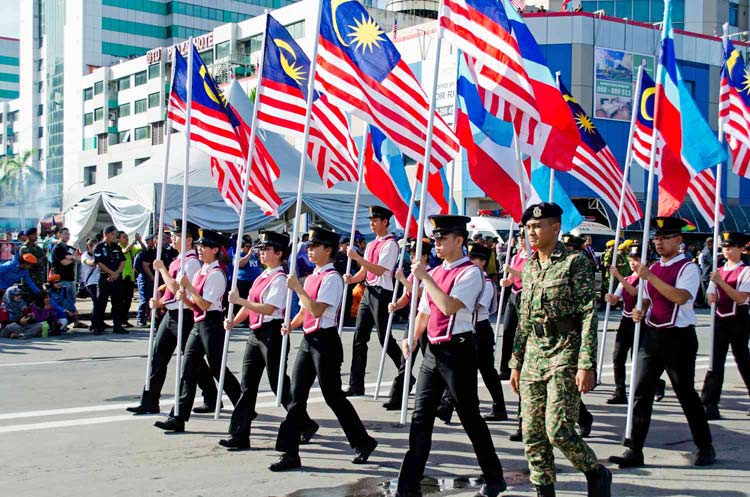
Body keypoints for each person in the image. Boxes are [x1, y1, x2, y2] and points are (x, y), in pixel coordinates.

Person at [395, 215, 507, 497]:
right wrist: (413, 337)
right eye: (436, 239)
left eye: (443, 239)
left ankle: (494, 477)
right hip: (433, 351)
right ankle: (408, 485)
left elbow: (446, 306)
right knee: (421, 417)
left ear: (459, 240)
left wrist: (425, 278)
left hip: (458, 351)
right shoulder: (435, 272)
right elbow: (424, 311)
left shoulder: (471, 273)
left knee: (469, 417)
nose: (437, 244)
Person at [509, 203, 611, 497]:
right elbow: (524, 319)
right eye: (529, 228)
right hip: (533, 354)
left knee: (559, 430)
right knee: (532, 432)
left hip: (565, 350)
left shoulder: (574, 262)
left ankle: (595, 471)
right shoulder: (529, 266)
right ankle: (544, 490)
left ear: (556, 228)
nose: (533, 232)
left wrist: (586, 363)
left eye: (538, 227)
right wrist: (516, 361)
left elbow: (589, 313)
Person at [609, 216, 715, 469]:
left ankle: (705, 446)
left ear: (678, 240)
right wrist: (640, 311)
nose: (659, 243)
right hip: (652, 335)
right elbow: (646, 298)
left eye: (665, 238)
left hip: (678, 338)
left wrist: (649, 276)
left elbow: (679, 297)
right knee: (641, 391)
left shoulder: (687, 267)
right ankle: (634, 449)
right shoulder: (653, 268)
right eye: (657, 238)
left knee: (685, 394)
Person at [269, 225, 377, 472]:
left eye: (314, 245)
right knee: (296, 396)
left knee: (333, 397)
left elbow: (317, 309)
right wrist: (292, 324)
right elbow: (305, 310)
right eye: (308, 245)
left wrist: (297, 288)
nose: (309, 249)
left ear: (328, 249)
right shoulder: (314, 276)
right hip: (309, 340)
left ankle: (363, 441)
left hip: (325, 342)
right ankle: (289, 452)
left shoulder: (332, 278)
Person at [220, 230, 319, 450]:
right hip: (256, 333)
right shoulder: (262, 276)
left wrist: (241, 301)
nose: (261, 253)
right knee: (248, 385)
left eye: (266, 249)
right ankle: (239, 434)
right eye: (261, 249)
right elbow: (251, 306)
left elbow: (269, 308)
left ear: (279, 253)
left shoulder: (281, 279)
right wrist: (234, 321)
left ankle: (304, 423)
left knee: (278, 384)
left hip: (271, 332)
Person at [127, 220, 218, 416]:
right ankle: (150, 400)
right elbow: (170, 288)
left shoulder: (192, 262)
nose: (172, 238)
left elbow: (179, 288)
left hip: (184, 314)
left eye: (176, 235)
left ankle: (211, 396)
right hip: (171, 313)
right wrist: (160, 300)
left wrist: (161, 270)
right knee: (158, 356)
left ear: (188, 239)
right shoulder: (179, 259)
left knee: (193, 361)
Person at [154, 229, 241, 432]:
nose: (200, 250)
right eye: (199, 246)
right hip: (198, 322)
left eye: (204, 247)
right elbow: (195, 305)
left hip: (211, 323)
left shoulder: (217, 273)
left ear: (215, 249)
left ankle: (242, 402)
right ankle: (178, 417)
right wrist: (182, 297)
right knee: (188, 369)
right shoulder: (203, 269)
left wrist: (189, 290)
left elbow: (204, 304)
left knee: (218, 368)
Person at [345, 206, 412, 410]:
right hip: (368, 290)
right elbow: (366, 271)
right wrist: (352, 278)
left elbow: (380, 269)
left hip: (382, 293)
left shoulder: (390, 245)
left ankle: (406, 373)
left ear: (385, 222)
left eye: (375, 220)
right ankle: (356, 383)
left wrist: (357, 258)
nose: (372, 223)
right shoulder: (373, 243)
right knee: (360, 337)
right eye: (371, 219)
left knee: (385, 338)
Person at [700, 232, 750, 420]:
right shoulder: (718, 271)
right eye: (725, 247)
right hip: (720, 319)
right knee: (715, 361)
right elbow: (712, 297)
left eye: (731, 247)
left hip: (738, 319)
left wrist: (721, 284)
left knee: (743, 360)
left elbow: (741, 297)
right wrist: (711, 297)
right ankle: (709, 403)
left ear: (740, 249)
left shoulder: (745, 271)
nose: (727, 250)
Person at [499, 229, 528, 380]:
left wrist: (511, 271)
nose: (521, 240)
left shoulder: (532, 256)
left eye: (524, 238)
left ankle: (522, 365)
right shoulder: (516, 256)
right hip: (514, 294)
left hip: (525, 294)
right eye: (520, 238)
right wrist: (505, 281)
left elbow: (529, 277)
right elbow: (511, 279)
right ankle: (505, 368)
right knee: (508, 329)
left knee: (523, 332)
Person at [92, 226, 126, 335]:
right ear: (105, 234)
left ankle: (117, 326)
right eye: (112, 234)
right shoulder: (99, 246)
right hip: (104, 278)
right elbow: (99, 262)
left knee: (117, 303)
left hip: (116, 278)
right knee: (101, 303)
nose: (114, 237)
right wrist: (111, 273)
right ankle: (97, 326)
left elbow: (122, 261)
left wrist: (117, 273)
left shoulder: (116, 246)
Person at [50, 227, 78, 317]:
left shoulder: (70, 248)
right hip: (61, 279)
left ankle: (75, 320)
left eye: (68, 234)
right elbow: (64, 262)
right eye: (65, 234)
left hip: (71, 278)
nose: (67, 236)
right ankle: (63, 321)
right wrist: (72, 258)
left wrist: (72, 257)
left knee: (72, 300)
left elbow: (78, 257)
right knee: (63, 301)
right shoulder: (57, 248)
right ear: (59, 234)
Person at [134, 234, 157, 327]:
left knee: (150, 298)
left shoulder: (153, 251)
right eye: (152, 240)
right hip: (143, 277)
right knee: (144, 299)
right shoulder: (142, 253)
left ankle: (148, 317)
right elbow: (136, 267)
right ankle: (140, 318)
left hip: (150, 277)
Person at [118, 231, 140, 327]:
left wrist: (139, 241)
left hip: (130, 277)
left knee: (128, 300)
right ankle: (119, 320)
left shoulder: (131, 247)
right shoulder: (118, 247)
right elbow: (124, 251)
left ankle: (124, 319)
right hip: (121, 277)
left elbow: (142, 249)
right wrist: (134, 241)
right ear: (119, 239)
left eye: (127, 236)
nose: (126, 238)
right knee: (120, 300)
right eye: (124, 237)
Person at [19, 228, 46, 295]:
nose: (36, 236)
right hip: (28, 279)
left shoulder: (37, 248)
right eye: (34, 234)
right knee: (29, 299)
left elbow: (45, 260)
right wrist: (39, 261)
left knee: (39, 300)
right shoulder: (24, 248)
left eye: (36, 234)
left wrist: (38, 261)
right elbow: (31, 263)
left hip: (38, 278)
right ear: (28, 236)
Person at [235, 235, 263, 300]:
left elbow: (260, 265)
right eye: (247, 246)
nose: (249, 248)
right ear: (241, 246)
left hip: (254, 282)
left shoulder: (253, 255)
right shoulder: (239, 255)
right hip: (243, 283)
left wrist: (259, 257)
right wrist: (249, 254)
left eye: (250, 246)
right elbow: (240, 264)